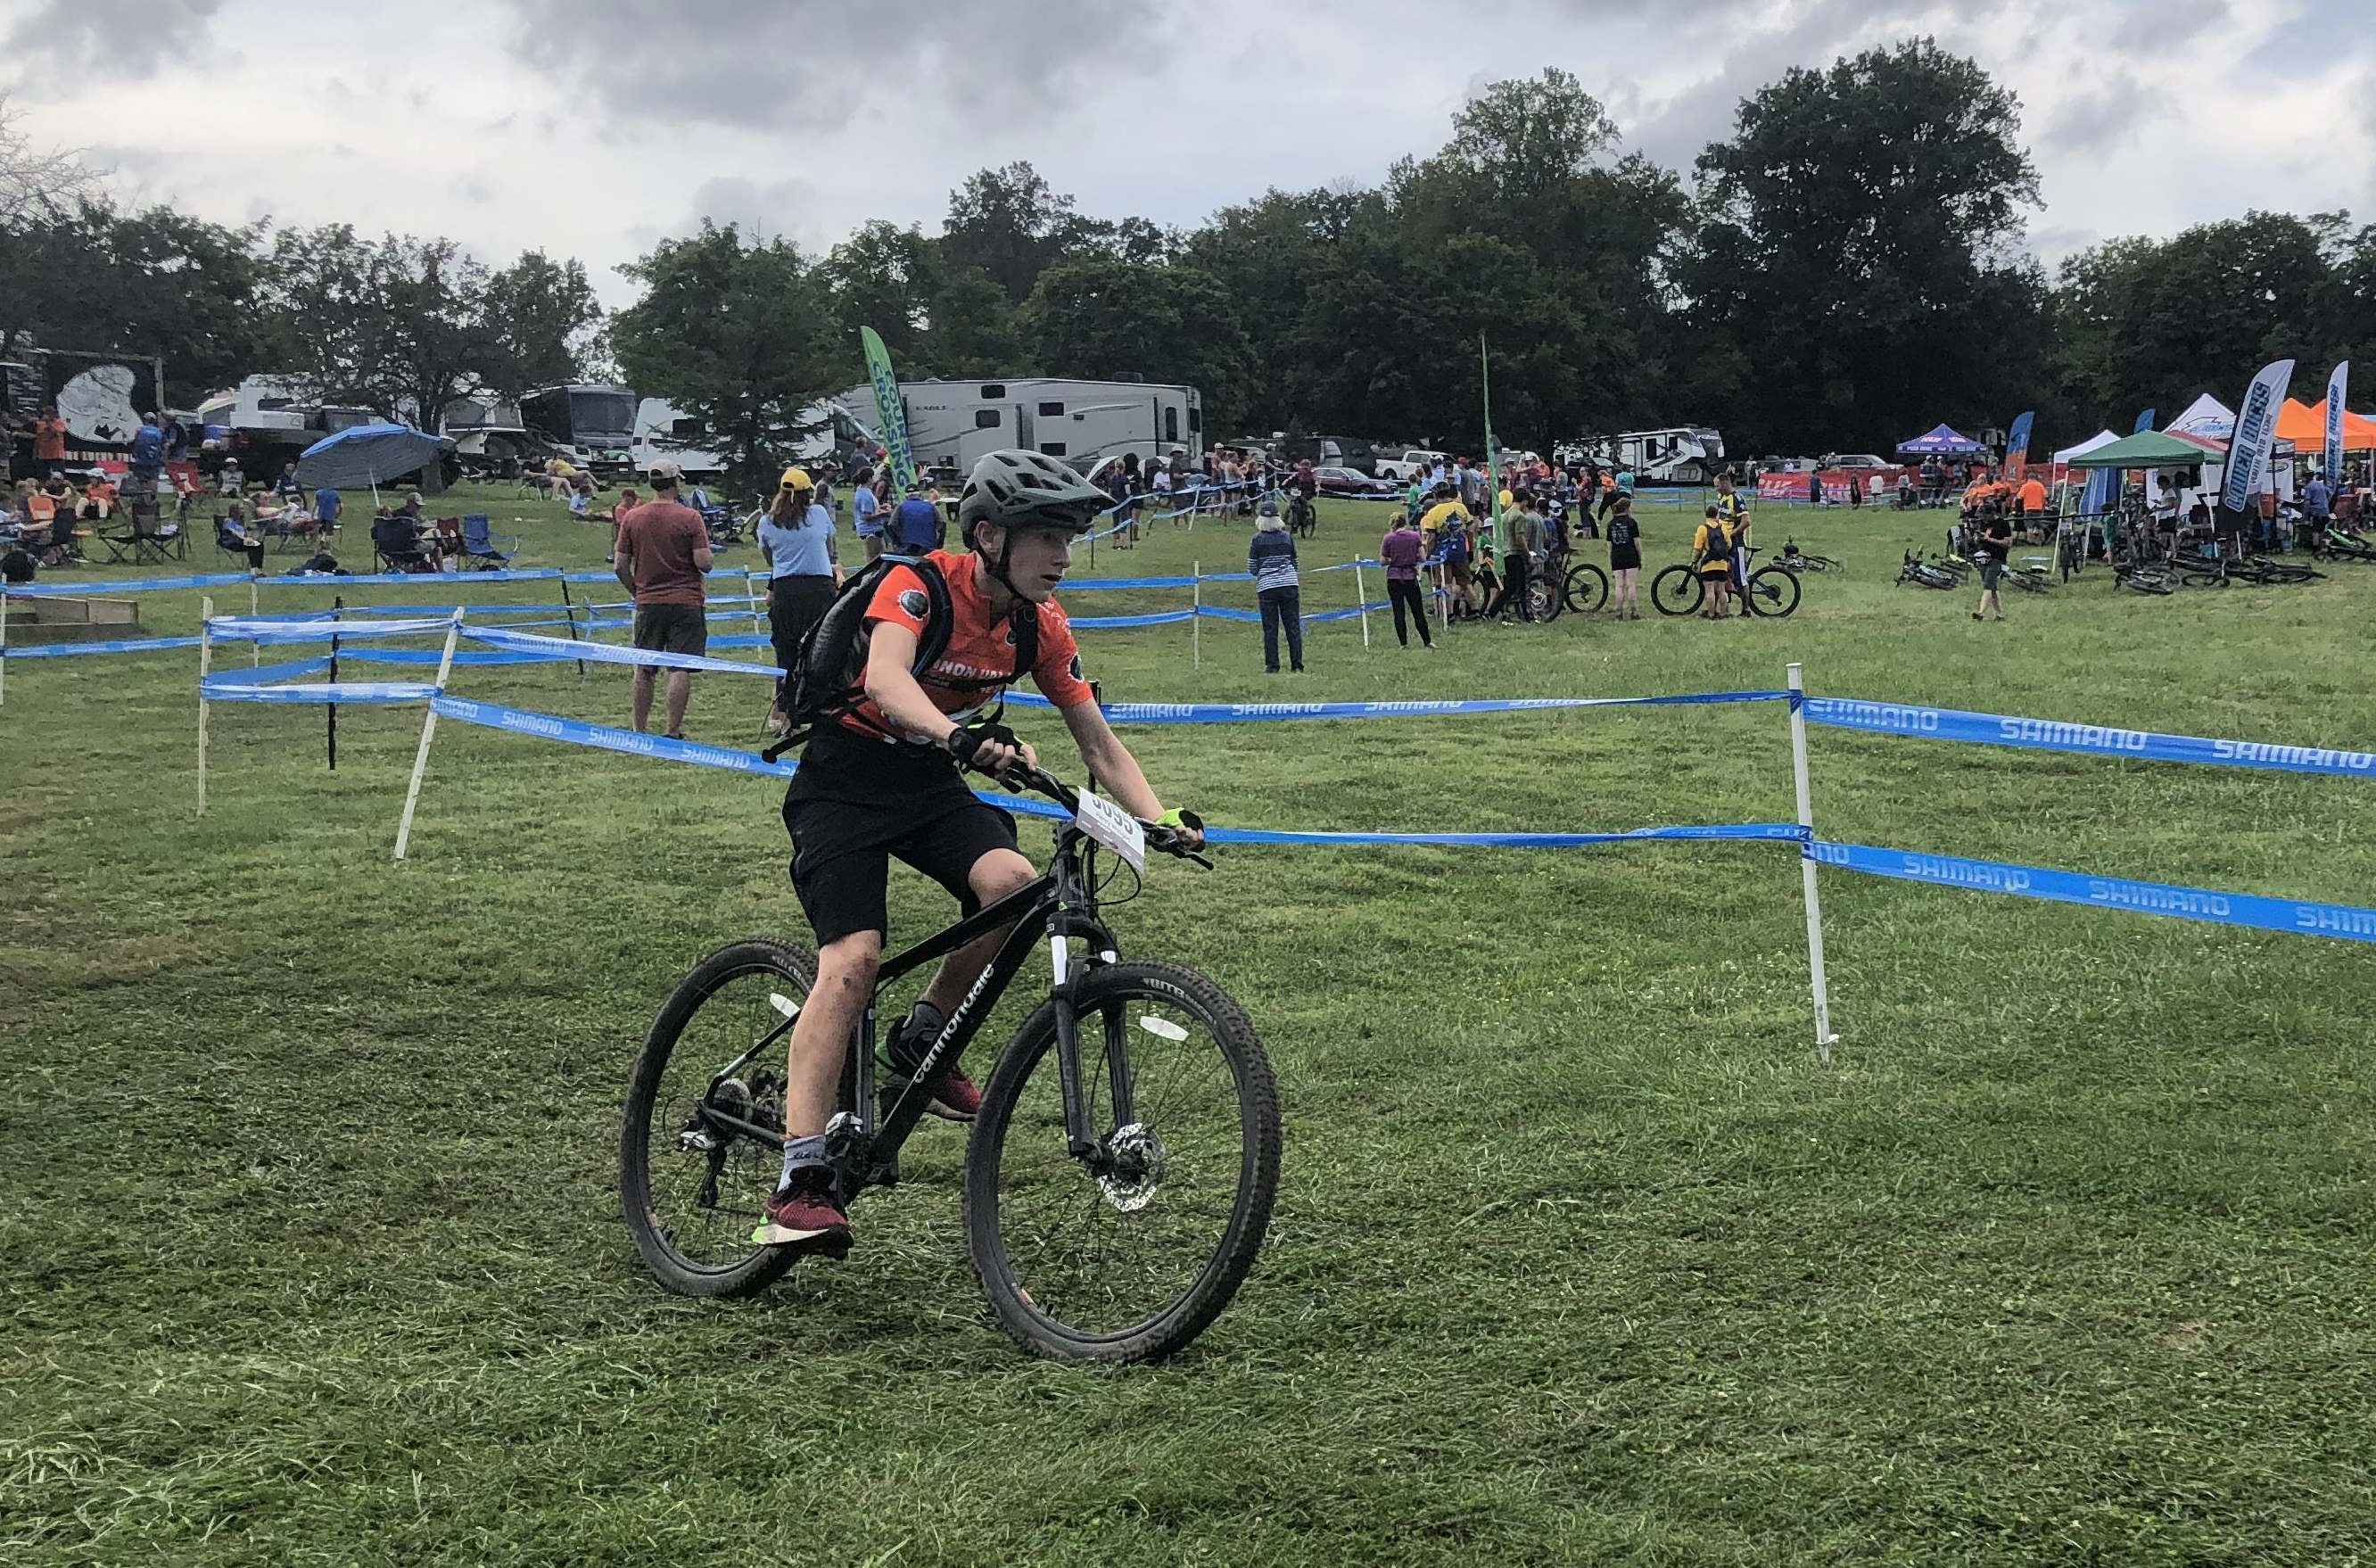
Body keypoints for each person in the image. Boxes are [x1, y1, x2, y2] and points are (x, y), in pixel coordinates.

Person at [758, 449, 1203, 1252]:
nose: (1064, 558)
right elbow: (890, 679)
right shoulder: (920, 583)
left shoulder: (1041, 621)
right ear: (991, 536)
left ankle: (923, 1032)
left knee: (1012, 881)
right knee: (853, 960)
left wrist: (1158, 815)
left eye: (1070, 540)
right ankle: (799, 1176)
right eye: (1048, 539)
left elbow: (1097, 744)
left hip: (930, 783)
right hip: (844, 783)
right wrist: (958, 734)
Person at [613, 461, 713, 739]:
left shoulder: (632, 517)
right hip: (686, 601)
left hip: (648, 602)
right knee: (679, 667)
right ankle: (672, 730)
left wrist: (637, 592)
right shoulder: (690, 518)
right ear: (675, 482)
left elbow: (620, 565)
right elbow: (704, 563)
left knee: (644, 667)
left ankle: (639, 729)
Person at [759, 466, 843, 733]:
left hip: (786, 591)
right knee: (824, 651)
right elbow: (829, 548)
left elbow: (770, 558)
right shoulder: (818, 514)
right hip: (819, 589)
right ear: (808, 492)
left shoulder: (767, 522)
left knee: (786, 653)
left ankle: (782, 714)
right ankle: (822, 709)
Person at [1248, 498, 1306, 673]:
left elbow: (1252, 567)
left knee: (1270, 627)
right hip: (1289, 584)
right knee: (1293, 625)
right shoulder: (1287, 537)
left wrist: (1264, 573)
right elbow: (1294, 563)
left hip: (1267, 587)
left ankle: (1272, 665)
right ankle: (1297, 665)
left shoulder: (1257, 539)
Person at [1377, 508, 1432, 648]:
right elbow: (1423, 557)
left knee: (1398, 611)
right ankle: (1427, 641)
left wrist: (1394, 560)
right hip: (1410, 577)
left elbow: (1383, 561)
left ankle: (1403, 643)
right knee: (1417, 610)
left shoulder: (1388, 538)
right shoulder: (1415, 536)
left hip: (1394, 577)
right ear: (1405, 522)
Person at [1973, 497, 2012, 621]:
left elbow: (2008, 543)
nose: (1982, 518)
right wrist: (1977, 538)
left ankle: (1981, 613)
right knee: (1993, 588)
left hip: (1997, 558)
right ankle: (2000, 615)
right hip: (1982, 557)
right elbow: (1976, 539)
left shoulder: (2003, 524)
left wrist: (1989, 539)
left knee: (1988, 585)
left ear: (1991, 514)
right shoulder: (1982, 523)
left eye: (1984, 515)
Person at [1605, 493, 1643, 619]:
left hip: (1617, 556)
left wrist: (1611, 559)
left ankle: (1619, 612)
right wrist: (1640, 557)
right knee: (1631, 584)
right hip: (1630, 555)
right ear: (1627, 508)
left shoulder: (1611, 524)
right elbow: (1637, 543)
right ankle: (1634, 612)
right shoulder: (1631, 522)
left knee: (1619, 585)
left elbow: (1609, 545)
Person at [1693, 505, 1733, 619]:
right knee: (1722, 590)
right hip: (1722, 564)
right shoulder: (1723, 528)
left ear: (1706, 515)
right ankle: (1723, 613)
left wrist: (1695, 561)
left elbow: (1697, 549)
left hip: (1708, 565)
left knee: (1710, 590)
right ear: (1717, 515)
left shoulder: (1702, 529)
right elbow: (1729, 545)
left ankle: (1711, 614)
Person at [892, 482, 943, 555]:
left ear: (906, 496)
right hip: (929, 547)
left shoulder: (901, 507)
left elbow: (892, 524)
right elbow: (942, 524)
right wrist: (939, 544)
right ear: (920, 494)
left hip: (906, 547)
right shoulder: (930, 506)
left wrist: (897, 541)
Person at [218, 501, 267, 574]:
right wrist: (244, 538)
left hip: (241, 542)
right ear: (234, 510)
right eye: (240, 509)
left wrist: (248, 537)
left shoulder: (241, 521)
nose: (243, 511)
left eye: (243, 509)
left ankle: (258, 568)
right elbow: (233, 532)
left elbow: (244, 533)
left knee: (260, 544)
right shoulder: (228, 520)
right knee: (250, 545)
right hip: (231, 542)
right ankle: (253, 568)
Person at [851, 466, 885, 561]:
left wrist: (881, 507)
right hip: (870, 531)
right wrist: (883, 513)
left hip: (872, 529)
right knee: (875, 559)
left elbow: (870, 509)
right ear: (870, 478)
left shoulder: (863, 490)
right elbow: (866, 516)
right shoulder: (865, 495)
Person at [127, 412, 165, 494]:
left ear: (144, 420)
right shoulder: (159, 431)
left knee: (141, 477)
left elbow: (132, 443)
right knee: (153, 477)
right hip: (154, 458)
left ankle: (143, 495)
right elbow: (163, 445)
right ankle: (152, 495)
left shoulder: (139, 430)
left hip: (140, 458)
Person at [31, 406, 67, 479]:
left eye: (47, 413)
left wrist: (48, 423)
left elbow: (57, 432)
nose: (45, 415)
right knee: (42, 476)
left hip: (56, 455)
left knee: (59, 476)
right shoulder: (40, 424)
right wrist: (35, 453)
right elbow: (39, 439)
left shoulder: (60, 422)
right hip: (43, 455)